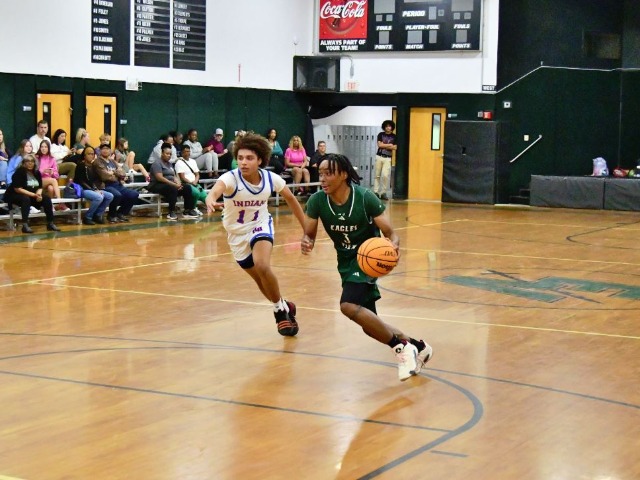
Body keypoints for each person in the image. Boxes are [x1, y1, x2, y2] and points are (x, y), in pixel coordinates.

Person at [301, 153, 432, 381]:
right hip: (345, 262)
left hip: (367, 260)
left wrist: (394, 245)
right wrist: (307, 242)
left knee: (347, 305)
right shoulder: (317, 201)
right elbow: (309, 234)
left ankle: (401, 348)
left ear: (343, 174)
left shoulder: (364, 198)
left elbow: (390, 233)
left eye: (328, 174)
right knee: (370, 326)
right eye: (320, 173)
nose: (322, 178)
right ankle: (418, 347)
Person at [205, 133, 305, 336]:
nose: (243, 162)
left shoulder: (270, 179)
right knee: (260, 279)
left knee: (262, 265)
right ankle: (284, 305)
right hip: (236, 234)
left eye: (249, 158)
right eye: (240, 158)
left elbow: (291, 199)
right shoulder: (230, 178)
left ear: (260, 160)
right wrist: (210, 199)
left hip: (261, 225)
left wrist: (307, 229)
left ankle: (279, 312)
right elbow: (215, 191)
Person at [3, 153, 60, 233]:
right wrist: (33, 195)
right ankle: (25, 225)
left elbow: (40, 187)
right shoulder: (19, 172)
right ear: (23, 163)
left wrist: (39, 194)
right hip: (13, 195)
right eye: (27, 161)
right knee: (25, 199)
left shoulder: (37, 173)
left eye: (32, 161)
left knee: (46, 199)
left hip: (30, 195)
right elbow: (18, 189)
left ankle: (50, 223)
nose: (30, 163)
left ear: (35, 163)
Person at [148, 142, 199, 221]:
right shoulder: (157, 163)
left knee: (187, 188)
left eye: (170, 154)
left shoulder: (169, 164)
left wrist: (178, 183)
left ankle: (187, 210)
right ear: (162, 153)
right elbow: (160, 178)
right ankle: (171, 212)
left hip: (170, 185)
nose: (169, 155)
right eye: (167, 153)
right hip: (156, 185)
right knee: (172, 189)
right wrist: (174, 185)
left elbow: (174, 176)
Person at [93, 143, 139, 223]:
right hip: (105, 185)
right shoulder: (97, 162)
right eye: (103, 149)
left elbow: (123, 173)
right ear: (100, 151)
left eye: (107, 149)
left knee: (134, 194)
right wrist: (117, 174)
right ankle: (112, 215)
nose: (105, 150)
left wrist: (113, 173)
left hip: (117, 185)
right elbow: (104, 176)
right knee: (117, 195)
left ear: (110, 150)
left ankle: (121, 213)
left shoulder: (112, 161)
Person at [74, 146, 114, 225]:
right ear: (84, 155)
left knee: (110, 196)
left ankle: (98, 214)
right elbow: (80, 181)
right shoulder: (80, 165)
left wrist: (96, 189)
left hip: (92, 188)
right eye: (88, 154)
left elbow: (93, 181)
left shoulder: (92, 166)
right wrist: (93, 190)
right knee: (99, 197)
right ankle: (88, 217)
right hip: (82, 189)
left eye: (92, 154)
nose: (91, 156)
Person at [174, 143, 206, 214]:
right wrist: (191, 183)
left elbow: (197, 174)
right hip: (186, 184)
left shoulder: (193, 161)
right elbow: (182, 177)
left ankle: (220, 208)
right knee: (196, 193)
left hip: (195, 183)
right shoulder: (179, 162)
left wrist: (195, 182)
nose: (187, 153)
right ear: (182, 153)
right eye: (185, 151)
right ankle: (193, 208)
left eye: (188, 151)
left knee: (205, 196)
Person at [36, 139, 68, 210]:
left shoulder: (52, 159)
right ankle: (60, 202)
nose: (43, 149)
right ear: (40, 148)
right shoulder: (37, 158)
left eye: (45, 147)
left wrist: (52, 172)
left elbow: (57, 175)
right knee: (53, 180)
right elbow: (34, 172)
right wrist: (42, 172)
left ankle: (49, 206)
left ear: (48, 148)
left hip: (49, 181)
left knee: (51, 188)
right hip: (38, 180)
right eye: (42, 147)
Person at [374, 120, 397, 201]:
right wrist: (389, 145)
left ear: (392, 127)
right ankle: (376, 192)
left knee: (385, 175)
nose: (388, 128)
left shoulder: (394, 136)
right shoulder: (381, 134)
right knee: (377, 175)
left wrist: (384, 145)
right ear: (384, 127)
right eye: (386, 126)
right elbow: (379, 145)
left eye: (389, 126)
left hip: (388, 158)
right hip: (379, 156)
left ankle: (383, 192)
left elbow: (395, 147)